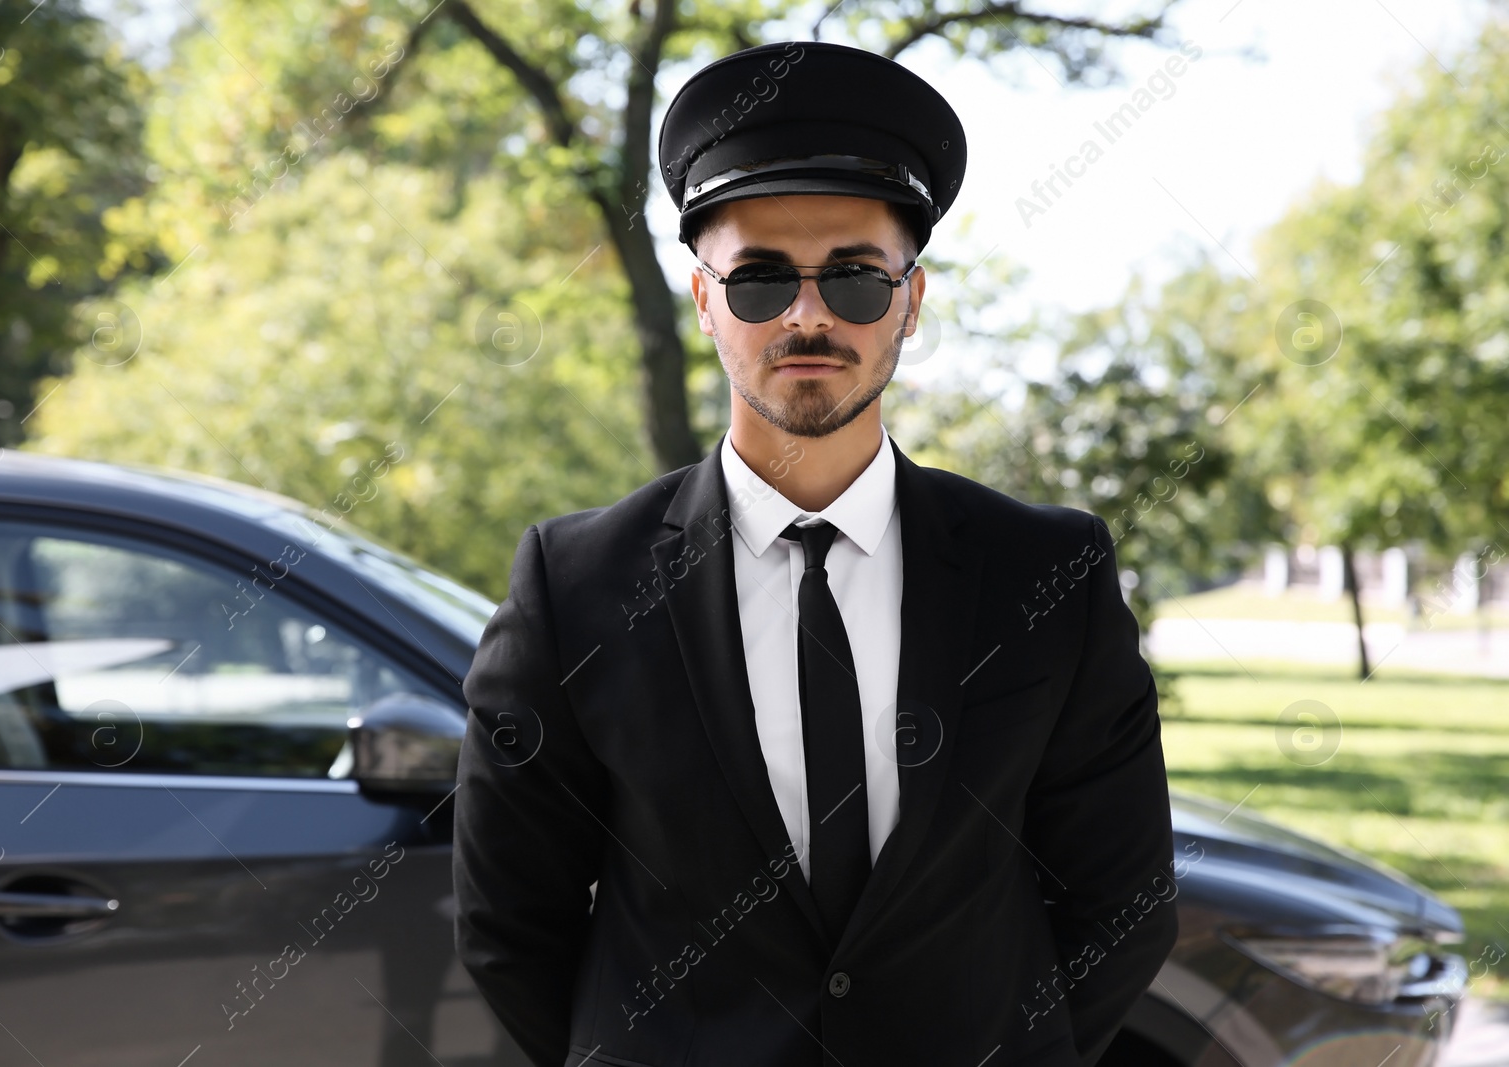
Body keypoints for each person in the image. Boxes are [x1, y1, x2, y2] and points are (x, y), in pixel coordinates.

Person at [453, 40, 1177, 1067]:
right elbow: (507, 920)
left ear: (910, 302)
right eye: (757, 281)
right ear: (704, 302)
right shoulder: (574, 586)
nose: (806, 314)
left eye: (853, 277)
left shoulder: (1045, 576)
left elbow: (1124, 904)